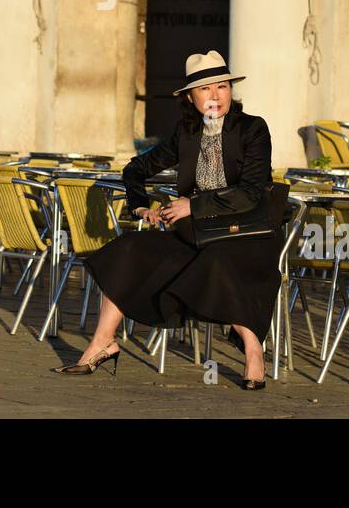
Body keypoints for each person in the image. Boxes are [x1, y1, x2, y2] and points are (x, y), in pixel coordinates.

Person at [51, 50, 286, 389]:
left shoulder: (253, 129)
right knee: (128, 248)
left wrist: (194, 205)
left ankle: (253, 350)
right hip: (198, 234)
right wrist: (140, 207)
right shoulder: (186, 133)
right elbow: (135, 169)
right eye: (205, 89)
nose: (215, 96)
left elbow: (251, 191)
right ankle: (102, 342)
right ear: (191, 99)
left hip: (247, 234)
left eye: (222, 86)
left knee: (218, 261)